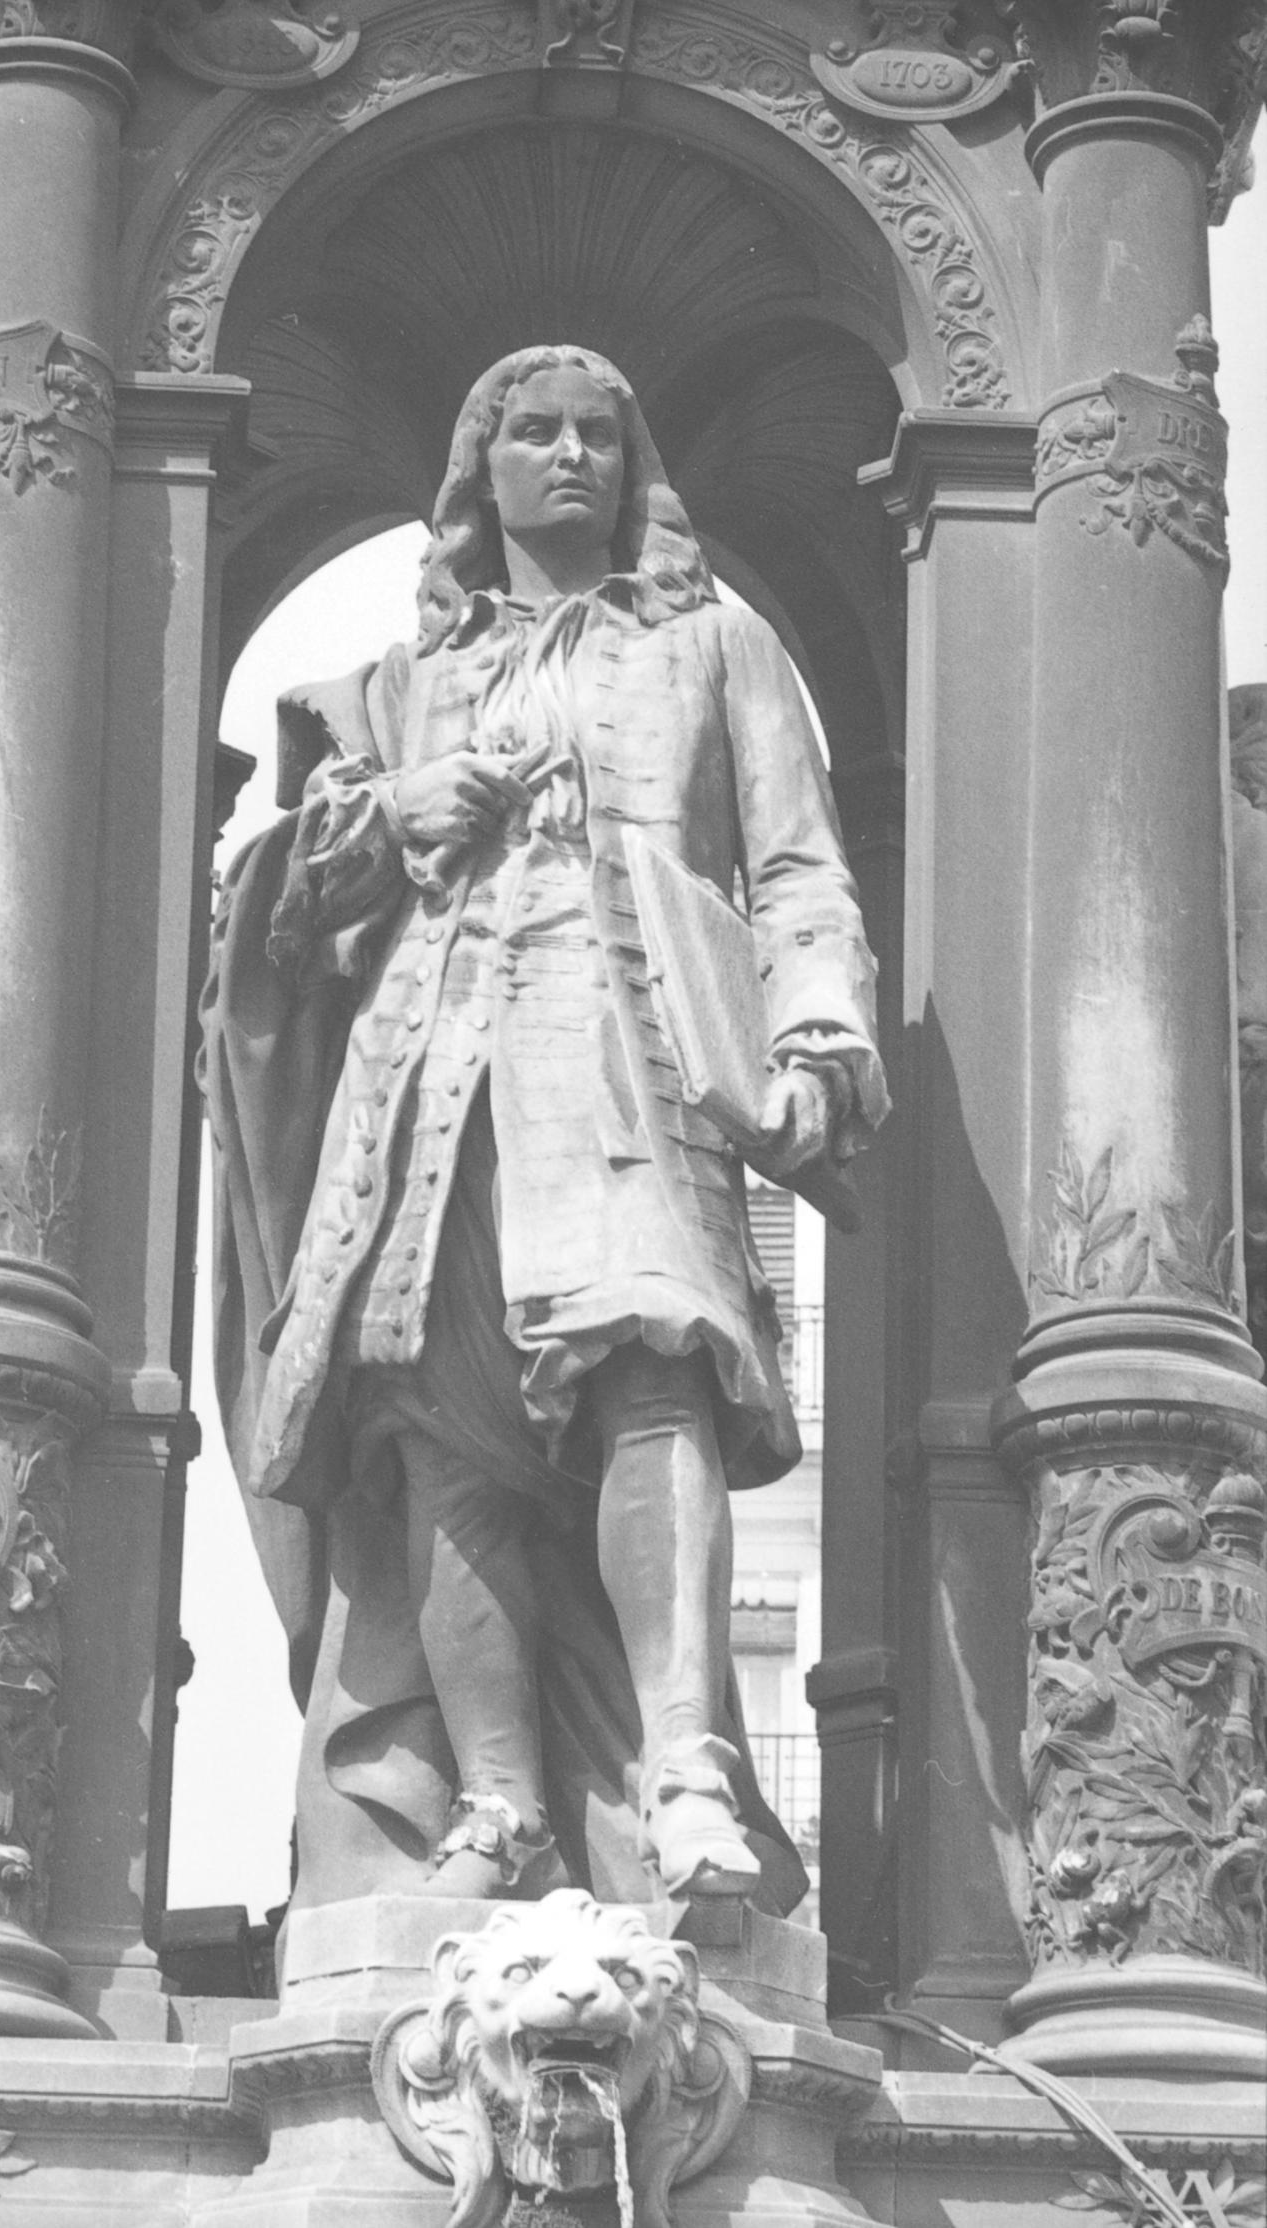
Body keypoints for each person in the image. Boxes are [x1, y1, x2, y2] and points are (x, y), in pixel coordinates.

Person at [202, 346, 887, 1915]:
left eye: (598, 432)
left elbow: (797, 866)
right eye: (533, 431)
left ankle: (690, 1769)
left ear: (636, 465)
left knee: (660, 1368)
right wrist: (390, 813)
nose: (569, 453)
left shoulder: (717, 647)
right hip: (429, 1081)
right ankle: (498, 1801)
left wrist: (820, 1027)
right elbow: (288, 916)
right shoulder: (407, 686)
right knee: (440, 1442)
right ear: (480, 471)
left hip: (630, 1057)